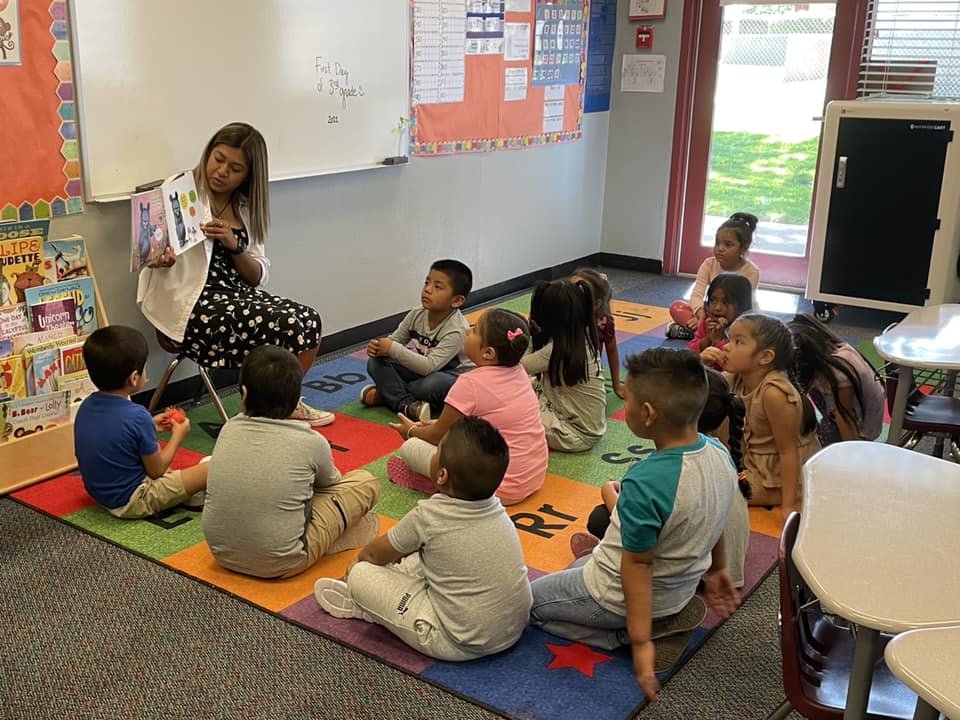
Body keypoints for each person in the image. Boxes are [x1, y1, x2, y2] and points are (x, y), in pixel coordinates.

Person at [529, 349, 740, 699]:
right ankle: (643, 610)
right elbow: (716, 519)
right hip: (678, 588)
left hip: (616, 598)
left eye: (626, 399)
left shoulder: (648, 480)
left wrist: (639, 643)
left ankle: (622, 635)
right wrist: (718, 570)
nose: (622, 405)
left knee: (525, 604)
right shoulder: (719, 453)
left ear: (647, 414)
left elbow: (637, 565)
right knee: (585, 564)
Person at [136, 122, 332, 426]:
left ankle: (282, 404)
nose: (222, 171)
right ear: (208, 154)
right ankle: (264, 412)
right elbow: (149, 252)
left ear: (248, 175)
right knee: (288, 325)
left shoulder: (245, 207)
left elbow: (257, 277)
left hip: (238, 297)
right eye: (218, 158)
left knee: (309, 320)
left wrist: (234, 245)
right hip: (193, 307)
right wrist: (159, 260)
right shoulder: (179, 189)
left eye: (235, 167)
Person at [314, 417, 533, 662]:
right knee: (430, 554)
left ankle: (371, 608)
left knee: (361, 575)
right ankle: (393, 591)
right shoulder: (497, 507)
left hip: (457, 641)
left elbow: (375, 554)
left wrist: (357, 563)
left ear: (441, 475)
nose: (434, 451)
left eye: (438, 448)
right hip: (514, 627)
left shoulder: (429, 517)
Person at [202, 345, 380, 578]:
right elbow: (332, 485)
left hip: (221, 555)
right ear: (297, 399)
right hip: (283, 563)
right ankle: (328, 537)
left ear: (244, 394)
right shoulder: (310, 440)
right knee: (365, 482)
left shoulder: (229, 428)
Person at [569, 367, 751, 589]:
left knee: (601, 518)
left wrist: (608, 492)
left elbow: (634, 522)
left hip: (692, 576)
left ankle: (598, 557)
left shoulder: (665, 466)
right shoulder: (717, 450)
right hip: (721, 566)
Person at [386, 309, 548, 505]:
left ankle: (443, 485)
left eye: (475, 330)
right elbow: (491, 419)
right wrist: (437, 425)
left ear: (488, 353)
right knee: (443, 437)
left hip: (494, 490)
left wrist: (410, 430)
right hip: (533, 478)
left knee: (410, 448)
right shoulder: (519, 371)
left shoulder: (469, 383)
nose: (467, 331)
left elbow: (438, 436)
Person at [74, 325, 207, 518]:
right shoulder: (137, 415)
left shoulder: (86, 405)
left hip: (101, 494)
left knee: (176, 473)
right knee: (209, 469)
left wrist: (150, 425)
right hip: (134, 500)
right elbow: (157, 470)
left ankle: (184, 493)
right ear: (134, 378)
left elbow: (113, 435)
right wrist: (178, 436)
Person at [724, 314, 821, 519]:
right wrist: (700, 360)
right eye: (729, 339)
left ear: (765, 357)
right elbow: (699, 394)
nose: (726, 347)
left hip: (776, 478)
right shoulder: (737, 378)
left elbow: (788, 452)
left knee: (718, 490)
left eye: (738, 342)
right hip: (752, 460)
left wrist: (789, 506)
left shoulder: (774, 393)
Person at [360, 259, 473, 422]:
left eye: (437, 287)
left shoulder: (457, 329)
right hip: (423, 372)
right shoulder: (417, 314)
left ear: (456, 301)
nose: (427, 290)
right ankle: (408, 405)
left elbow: (429, 366)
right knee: (375, 362)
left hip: (451, 379)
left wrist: (392, 348)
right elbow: (395, 341)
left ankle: (388, 395)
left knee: (431, 384)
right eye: (427, 282)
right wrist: (379, 348)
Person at [522, 279, 607, 452]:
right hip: (588, 428)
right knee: (525, 387)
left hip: (573, 434)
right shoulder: (581, 340)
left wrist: (528, 336)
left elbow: (519, 366)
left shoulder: (555, 350)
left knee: (510, 407)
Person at [789, 313, 884, 445]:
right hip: (845, 411)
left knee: (809, 448)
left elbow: (845, 419)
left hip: (861, 429)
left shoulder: (838, 373)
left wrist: (846, 453)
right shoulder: (829, 348)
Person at [667, 212, 761, 340]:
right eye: (717, 243)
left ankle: (695, 333)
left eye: (728, 245)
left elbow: (742, 306)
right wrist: (701, 316)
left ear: (743, 248)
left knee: (755, 328)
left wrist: (720, 321)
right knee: (677, 307)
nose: (720, 249)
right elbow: (697, 295)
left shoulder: (751, 271)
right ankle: (707, 333)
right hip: (710, 313)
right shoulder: (708, 264)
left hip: (736, 317)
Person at [571, 267, 626, 399]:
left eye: (575, 293)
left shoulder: (603, 323)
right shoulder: (565, 316)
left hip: (590, 374)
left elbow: (612, 351)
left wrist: (616, 384)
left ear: (595, 304)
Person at [691, 272, 753, 371]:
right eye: (713, 300)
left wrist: (718, 341)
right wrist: (707, 338)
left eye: (725, 302)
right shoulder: (707, 321)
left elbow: (735, 368)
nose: (717, 308)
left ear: (741, 307)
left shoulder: (745, 329)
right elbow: (690, 353)